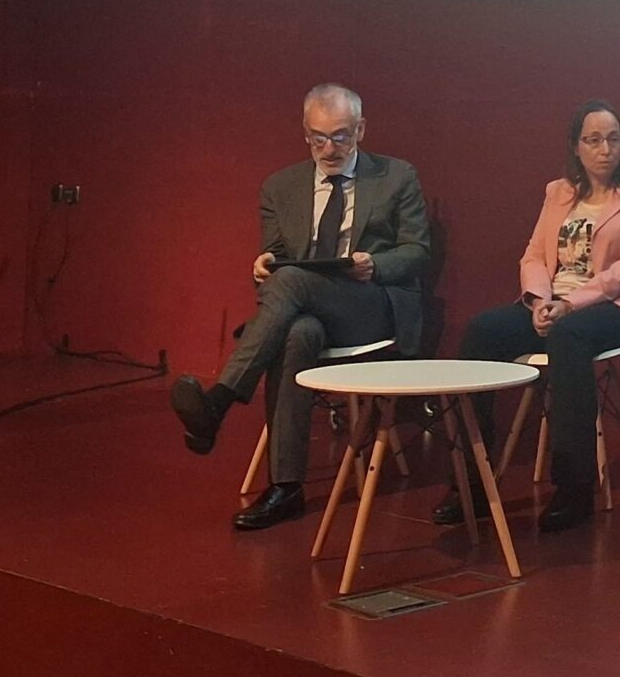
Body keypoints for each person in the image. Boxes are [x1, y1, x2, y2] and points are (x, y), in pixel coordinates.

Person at [168, 84, 432, 531]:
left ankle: (220, 401)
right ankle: (285, 487)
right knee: (297, 333)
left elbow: (418, 251)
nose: (329, 149)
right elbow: (276, 255)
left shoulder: (396, 176)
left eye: (341, 136)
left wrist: (376, 264)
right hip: (307, 307)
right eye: (318, 138)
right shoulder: (280, 186)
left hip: (370, 304)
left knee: (291, 282)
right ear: (305, 134)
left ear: (361, 130)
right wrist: (263, 265)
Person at [431, 101, 620, 534]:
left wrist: (570, 305)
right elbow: (534, 255)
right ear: (576, 146)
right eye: (593, 140)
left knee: (568, 336)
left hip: (618, 307)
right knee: (482, 331)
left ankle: (574, 489)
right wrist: (540, 300)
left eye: (613, 139)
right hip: (553, 304)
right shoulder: (558, 192)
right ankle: (471, 483)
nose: (605, 149)